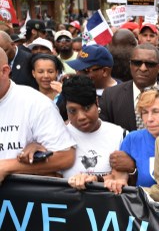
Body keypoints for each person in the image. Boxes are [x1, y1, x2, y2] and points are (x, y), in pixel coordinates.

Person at [0, 47, 75, 183]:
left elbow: (65, 156)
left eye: (50, 71)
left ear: (4, 71)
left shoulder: (36, 103)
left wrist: (6, 167)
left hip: (22, 200)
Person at [61, 75, 125, 181]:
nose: (81, 117)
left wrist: (96, 180)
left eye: (86, 108)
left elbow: (123, 178)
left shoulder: (119, 135)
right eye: (73, 111)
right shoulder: (58, 137)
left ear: (97, 102)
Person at [114, 87, 159, 188]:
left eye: (156, 111)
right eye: (145, 112)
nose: (149, 119)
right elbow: (119, 178)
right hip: (142, 202)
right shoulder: (132, 139)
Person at [100, 44, 159, 131]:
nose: (143, 68)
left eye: (150, 64)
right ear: (130, 65)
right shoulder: (111, 96)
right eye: (137, 63)